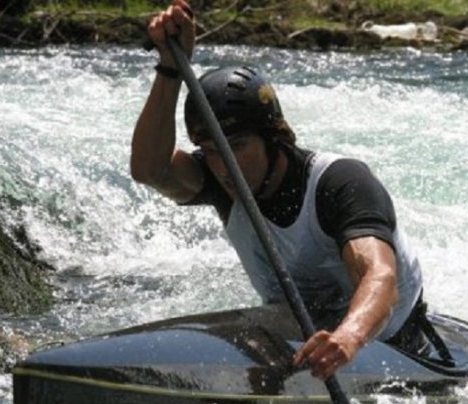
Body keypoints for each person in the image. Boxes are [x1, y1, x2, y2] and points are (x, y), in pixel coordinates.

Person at [130, 0, 430, 381]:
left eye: (236, 146)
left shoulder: (339, 183)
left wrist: (349, 338)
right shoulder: (223, 183)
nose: (224, 166)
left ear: (275, 139)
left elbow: (380, 277)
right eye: (211, 151)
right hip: (299, 334)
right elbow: (149, 169)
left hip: (391, 342)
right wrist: (170, 68)